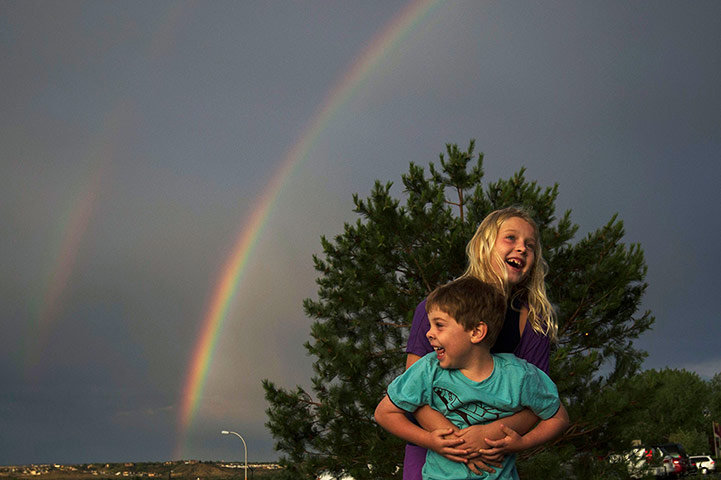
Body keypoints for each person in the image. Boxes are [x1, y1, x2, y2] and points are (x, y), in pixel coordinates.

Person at [404, 207, 558, 478]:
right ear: (484, 245)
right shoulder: (434, 309)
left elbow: (538, 401)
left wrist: (485, 436)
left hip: (491, 457)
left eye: (530, 246)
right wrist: (458, 443)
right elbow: (412, 390)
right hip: (432, 446)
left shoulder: (534, 321)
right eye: (511, 238)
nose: (521, 248)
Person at [375, 277, 568, 480]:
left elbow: (559, 417)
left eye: (439, 325)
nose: (429, 333)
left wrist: (524, 442)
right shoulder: (428, 370)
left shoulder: (518, 376)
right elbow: (384, 413)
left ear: (476, 332)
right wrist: (429, 440)